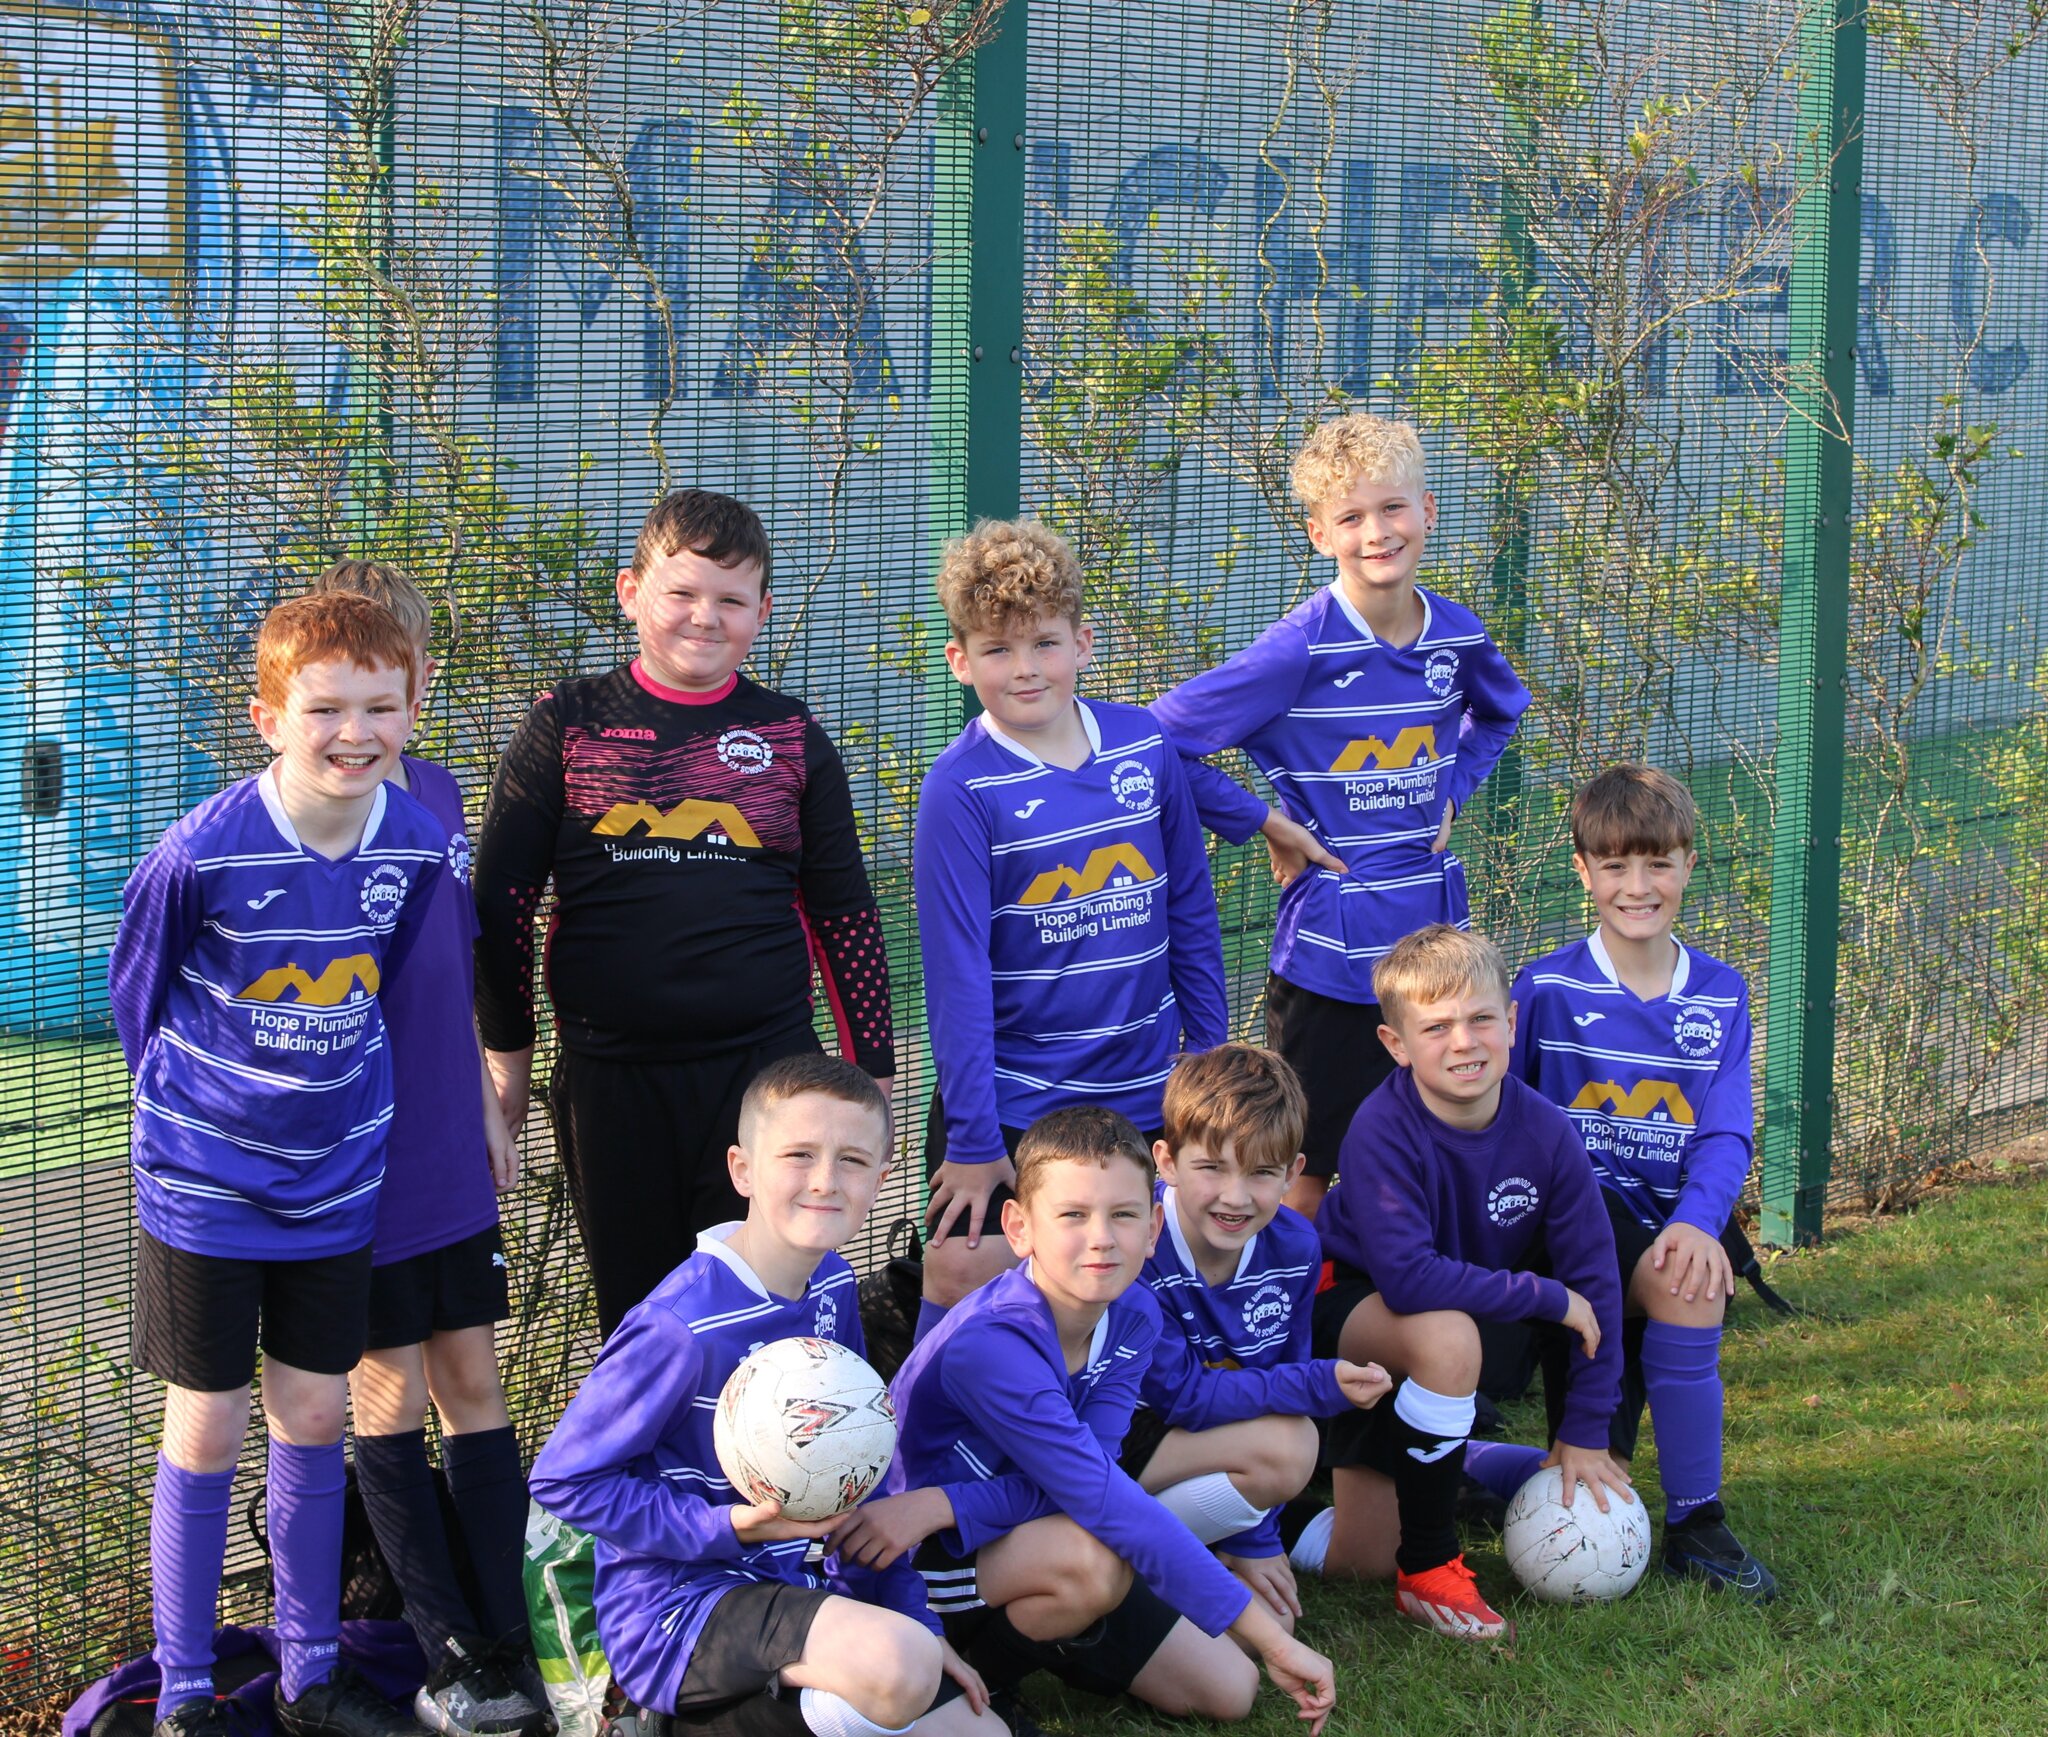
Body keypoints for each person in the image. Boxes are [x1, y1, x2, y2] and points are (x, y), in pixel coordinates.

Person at [111, 593, 448, 1737]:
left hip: (338, 1180)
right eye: (324, 708)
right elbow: (136, 998)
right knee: (205, 1426)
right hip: (206, 1186)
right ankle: (189, 1690)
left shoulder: (412, 839)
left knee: (312, 1414)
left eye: (378, 706)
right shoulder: (201, 848)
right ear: (267, 717)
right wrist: (196, 1117)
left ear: (411, 708)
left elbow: (387, 969)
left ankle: (311, 1677)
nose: (353, 732)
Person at [474, 489, 894, 1338]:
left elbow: (845, 916)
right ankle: (653, 1475)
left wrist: (873, 1079)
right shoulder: (567, 723)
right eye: (682, 593)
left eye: (732, 600)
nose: (705, 618)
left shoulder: (791, 735)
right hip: (612, 1077)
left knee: (767, 1312)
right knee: (644, 1318)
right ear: (631, 593)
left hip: (768, 1077)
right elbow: (503, 904)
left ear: (763, 612)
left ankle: (774, 1473)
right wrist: (506, 1065)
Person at [527, 1055, 1001, 1737]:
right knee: (897, 1667)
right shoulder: (679, 1326)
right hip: (680, 1611)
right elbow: (565, 1480)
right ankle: (660, 1725)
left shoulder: (834, 1286)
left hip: (796, 1590)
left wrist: (919, 1621)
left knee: (980, 1729)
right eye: (798, 1154)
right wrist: (725, 1527)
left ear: (881, 1181)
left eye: (852, 1160)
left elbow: (855, 1479)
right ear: (742, 1168)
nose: (824, 1180)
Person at [834, 1107, 1337, 1733]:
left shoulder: (1135, 1315)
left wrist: (950, 1502)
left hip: (1012, 1528)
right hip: (916, 1562)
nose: (1101, 1237)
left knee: (1232, 1688)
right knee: (1093, 1561)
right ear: (1019, 1227)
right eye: (1072, 1215)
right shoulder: (991, 1347)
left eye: (1123, 1214)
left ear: (1154, 1226)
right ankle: (977, 1680)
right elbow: (1100, 1498)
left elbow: (1092, 1478)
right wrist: (1275, 1639)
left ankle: (1050, 1626)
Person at [1151, 414, 1531, 1220]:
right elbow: (1161, 740)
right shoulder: (1299, 649)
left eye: (1392, 509)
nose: (1377, 532)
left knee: (1432, 1146)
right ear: (1320, 532)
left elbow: (1502, 712)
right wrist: (1265, 822)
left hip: (1434, 953)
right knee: (1306, 1170)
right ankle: (1292, 1329)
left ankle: (1419, 1314)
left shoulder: (1457, 634)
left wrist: (1453, 789)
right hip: (1330, 958)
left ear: (1428, 511)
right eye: (1351, 517)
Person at [307, 561, 551, 1734]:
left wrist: (496, 1110)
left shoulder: (447, 796)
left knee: (473, 1380)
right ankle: (446, 1647)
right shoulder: (300, 816)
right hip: (357, 1164)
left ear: (417, 681)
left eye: (392, 681)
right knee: (386, 1392)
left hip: (455, 1142)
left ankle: (514, 1633)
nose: (364, 717)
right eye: (341, 692)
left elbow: (459, 974)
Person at [913, 519, 1227, 1335]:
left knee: (1133, 1302)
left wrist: (1211, 1058)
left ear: (1084, 642)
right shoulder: (960, 789)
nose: (1024, 670)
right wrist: (978, 1140)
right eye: (996, 650)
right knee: (971, 1279)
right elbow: (957, 976)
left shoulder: (1143, 745)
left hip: (1145, 1088)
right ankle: (925, 1453)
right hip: (1020, 1105)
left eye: (1044, 643)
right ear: (959, 662)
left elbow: (1190, 907)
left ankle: (1127, 1454)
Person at [1295, 925, 1631, 1641]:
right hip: (1352, 1310)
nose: (1463, 1041)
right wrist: (1546, 1296)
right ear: (1395, 1044)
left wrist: (1584, 1431)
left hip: (1464, 1312)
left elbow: (1595, 1284)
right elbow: (1410, 1278)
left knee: (1459, 1339)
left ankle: (1469, 1461)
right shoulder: (1381, 1127)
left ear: (1511, 1022)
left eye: (1482, 1017)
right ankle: (1422, 1564)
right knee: (1362, 1559)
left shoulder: (1546, 1131)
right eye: (1436, 1026)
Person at [1510, 763, 1777, 1598]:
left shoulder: (1723, 994)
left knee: (1689, 1279)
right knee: (1581, 1478)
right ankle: (1492, 1467)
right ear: (1584, 871)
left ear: (1689, 863)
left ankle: (1698, 1522)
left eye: (1657, 862)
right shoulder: (1545, 988)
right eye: (1616, 865)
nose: (1639, 885)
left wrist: (1702, 1220)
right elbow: (1506, 1120)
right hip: (1569, 1235)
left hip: (1668, 1225)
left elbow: (1727, 1129)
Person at [1125, 1043, 1391, 1629]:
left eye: (1262, 1173)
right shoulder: (1136, 1244)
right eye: (1212, 1167)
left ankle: (1195, 1557)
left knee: (1266, 1634)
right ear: (1165, 1162)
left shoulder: (1295, 1247)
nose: (1236, 1197)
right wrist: (1324, 1383)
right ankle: (1125, 1564)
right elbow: (1183, 1398)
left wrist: (1255, 1536)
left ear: (1294, 1173)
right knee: (1292, 1445)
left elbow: (1279, 1379)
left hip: (1213, 1445)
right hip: (1120, 1445)